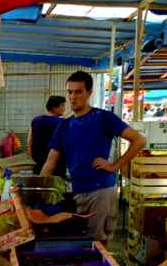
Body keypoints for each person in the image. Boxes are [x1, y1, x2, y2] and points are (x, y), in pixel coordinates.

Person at [41, 70, 146, 242]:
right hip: (76, 190)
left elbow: (139, 140)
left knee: (98, 243)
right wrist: (39, 187)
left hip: (100, 190)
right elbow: (50, 161)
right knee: (81, 240)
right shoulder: (64, 126)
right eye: (70, 92)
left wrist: (114, 166)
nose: (73, 97)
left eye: (78, 91)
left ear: (89, 93)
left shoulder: (103, 118)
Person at [28, 95, 67, 176]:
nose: (64, 108)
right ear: (54, 107)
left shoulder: (36, 120)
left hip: (38, 163)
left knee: (40, 185)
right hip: (57, 166)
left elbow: (30, 140)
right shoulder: (62, 122)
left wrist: (32, 156)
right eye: (62, 105)